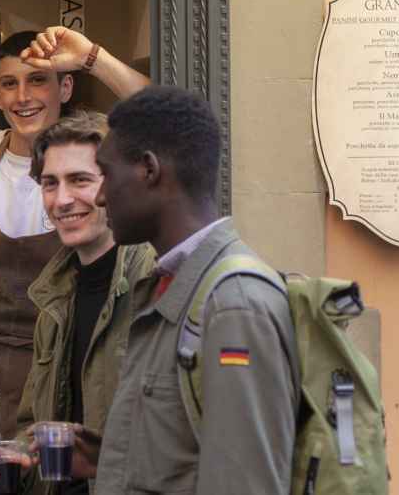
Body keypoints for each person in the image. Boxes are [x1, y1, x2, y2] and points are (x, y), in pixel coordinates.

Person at [0, 26, 148, 436]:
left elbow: (163, 119)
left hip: (66, 369)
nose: (23, 97)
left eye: (38, 80)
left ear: (65, 87)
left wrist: (91, 55)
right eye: (9, 84)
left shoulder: (97, 156)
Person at [91, 87, 297, 495]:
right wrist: (104, 457)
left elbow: (245, 483)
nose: (99, 195)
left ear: (149, 170)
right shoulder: (170, 285)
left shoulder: (234, 305)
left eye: (106, 173)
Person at [0, 111, 155, 495]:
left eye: (80, 181)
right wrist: (16, 460)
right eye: (50, 183)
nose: (62, 199)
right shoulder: (54, 297)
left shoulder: (156, 287)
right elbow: (33, 424)